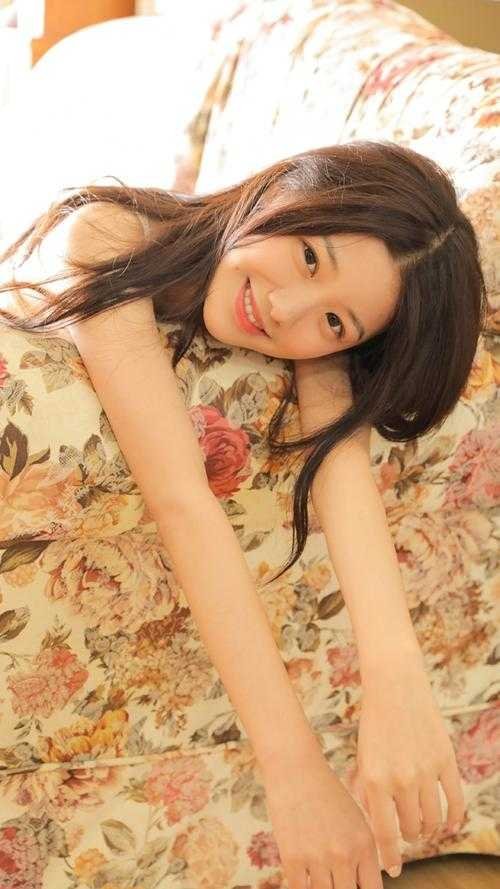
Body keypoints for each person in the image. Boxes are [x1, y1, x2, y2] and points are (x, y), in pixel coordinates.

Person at [0, 140, 487, 889]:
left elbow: (343, 474)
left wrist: (401, 688)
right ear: (286, 190)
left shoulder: (308, 342)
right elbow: (183, 501)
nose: (284, 308)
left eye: (337, 322)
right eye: (310, 256)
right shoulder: (108, 233)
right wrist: (295, 773)